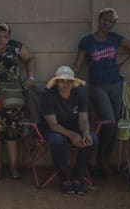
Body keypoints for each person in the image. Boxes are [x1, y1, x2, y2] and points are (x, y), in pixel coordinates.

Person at [73, 8, 130, 177]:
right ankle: (98, 158)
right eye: (104, 19)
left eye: (110, 21)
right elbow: (78, 65)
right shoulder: (87, 41)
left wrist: (122, 65)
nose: (107, 23)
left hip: (116, 85)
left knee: (115, 122)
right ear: (99, 20)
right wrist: (64, 79)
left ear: (113, 24)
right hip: (97, 86)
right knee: (108, 121)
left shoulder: (114, 38)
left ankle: (104, 159)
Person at [0, 23, 35, 180]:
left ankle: (13, 168)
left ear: (9, 37)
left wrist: (30, 77)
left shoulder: (16, 47)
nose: (1, 40)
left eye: (5, 37)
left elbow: (30, 59)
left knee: (12, 134)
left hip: (12, 96)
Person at [42, 66, 98, 195]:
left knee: (92, 139)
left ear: (73, 83)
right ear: (56, 82)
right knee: (57, 140)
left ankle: (78, 177)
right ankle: (65, 178)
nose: (66, 84)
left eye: (69, 81)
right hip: (53, 129)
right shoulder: (49, 96)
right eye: (62, 81)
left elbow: (83, 120)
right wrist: (72, 135)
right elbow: (53, 125)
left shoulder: (80, 95)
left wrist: (85, 132)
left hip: (74, 127)